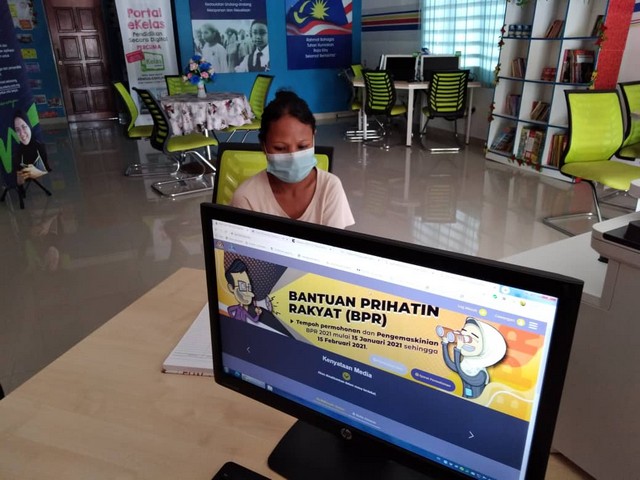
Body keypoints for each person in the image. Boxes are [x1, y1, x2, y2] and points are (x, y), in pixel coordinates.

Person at [231, 90, 355, 229]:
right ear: (263, 146)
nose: (293, 157)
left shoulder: (330, 188)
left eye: (303, 146)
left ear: (313, 138)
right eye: (280, 148)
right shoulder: (247, 197)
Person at [13, 110, 51, 187]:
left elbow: (46, 169)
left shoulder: (40, 147)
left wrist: (37, 172)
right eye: (17, 130)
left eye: (24, 127)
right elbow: (19, 181)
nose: (22, 134)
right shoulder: (17, 154)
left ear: (29, 126)